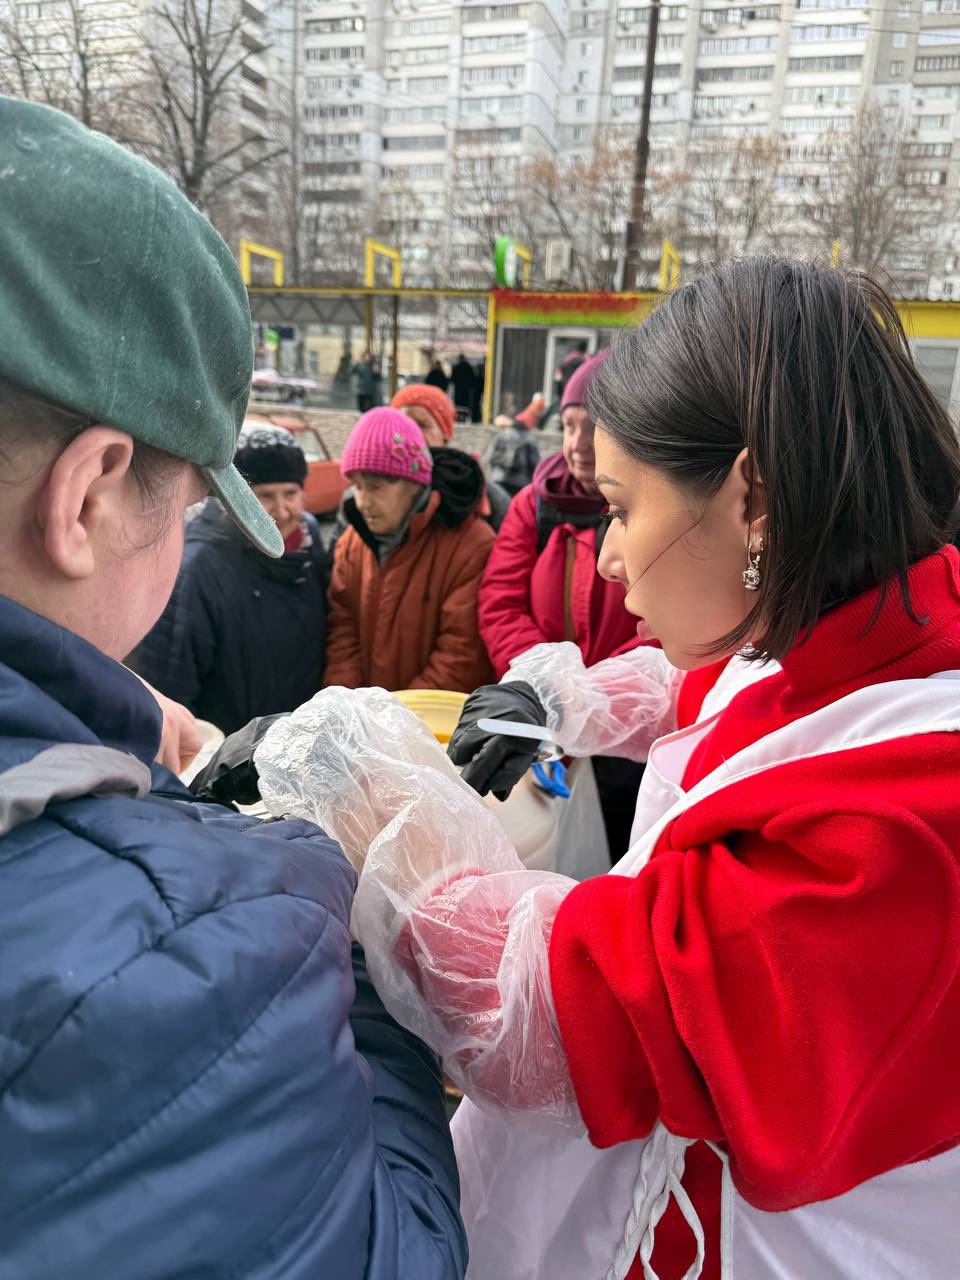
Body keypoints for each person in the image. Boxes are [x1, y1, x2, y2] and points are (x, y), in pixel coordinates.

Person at [244, 258, 960, 1280]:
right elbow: (714, 687)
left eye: (621, 508)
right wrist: (560, 697)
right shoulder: (870, 618)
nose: (612, 556)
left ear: (752, 496)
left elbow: (545, 1016)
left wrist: (358, 787)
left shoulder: (904, 826)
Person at [0, 96, 466, 1280]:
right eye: (192, 504)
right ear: (89, 494)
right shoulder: (211, 956)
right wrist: (345, 941)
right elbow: (397, 1247)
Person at [478, 352, 646, 858]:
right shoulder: (536, 505)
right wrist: (550, 689)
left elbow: (663, 627)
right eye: (569, 426)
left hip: (629, 732)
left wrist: (595, 698)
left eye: (594, 429)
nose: (576, 445)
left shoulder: (654, 507)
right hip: (545, 721)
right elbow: (500, 603)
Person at [130, 422, 329, 736]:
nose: (281, 510)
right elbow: (170, 682)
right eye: (265, 495)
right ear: (238, 499)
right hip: (234, 751)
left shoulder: (309, 547)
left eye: (291, 494)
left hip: (298, 740)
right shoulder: (199, 567)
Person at [324, 408, 494, 692]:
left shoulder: (471, 545)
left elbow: (462, 654)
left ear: (414, 484)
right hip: (361, 713)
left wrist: (398, 713)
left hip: (432, 715)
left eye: (376, 487)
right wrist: (347, 704)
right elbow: (342, 629)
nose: (364, 502)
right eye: (358, 487)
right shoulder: (351, 543)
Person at [391, 383, 511, 530]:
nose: (412, 434)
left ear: (445, 433)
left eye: (422, 425)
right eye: (403, 425)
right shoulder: (377, 486)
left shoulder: (482, 494)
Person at [484, 394, 543, 498]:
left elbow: (489, 457)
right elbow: (536, 465)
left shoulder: (500, 435)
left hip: (498, 480)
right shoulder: (529, 439)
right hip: (521, 484)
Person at [450, 353, 475, 421]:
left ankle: (458, 418)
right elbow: (472, 379)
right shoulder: (468, 368)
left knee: (458, 406)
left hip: (458, 390)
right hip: (466, 391)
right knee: (465, 405)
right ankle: (464, 418)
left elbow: (452, 379)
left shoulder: (456, 368)